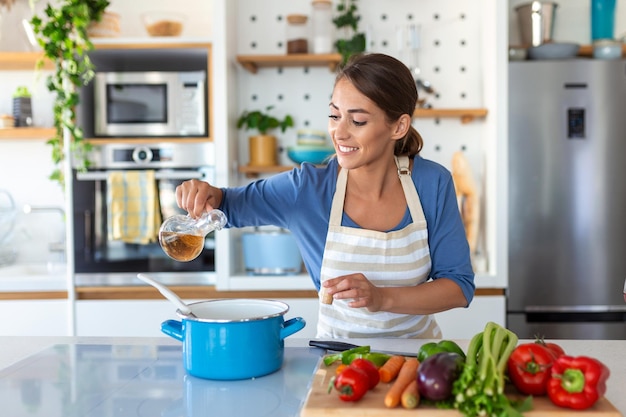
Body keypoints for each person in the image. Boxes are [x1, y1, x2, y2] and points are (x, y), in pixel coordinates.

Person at [176, 53, 475, 339]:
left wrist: (382, 298)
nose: (339, 133)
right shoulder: (306, 188)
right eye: (334, 115)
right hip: (337, 365)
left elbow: (459, 287)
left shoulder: (432, 183)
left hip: (416, 364)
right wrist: (205, 193)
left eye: (357, 121)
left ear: (398, 126)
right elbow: (227, 205)